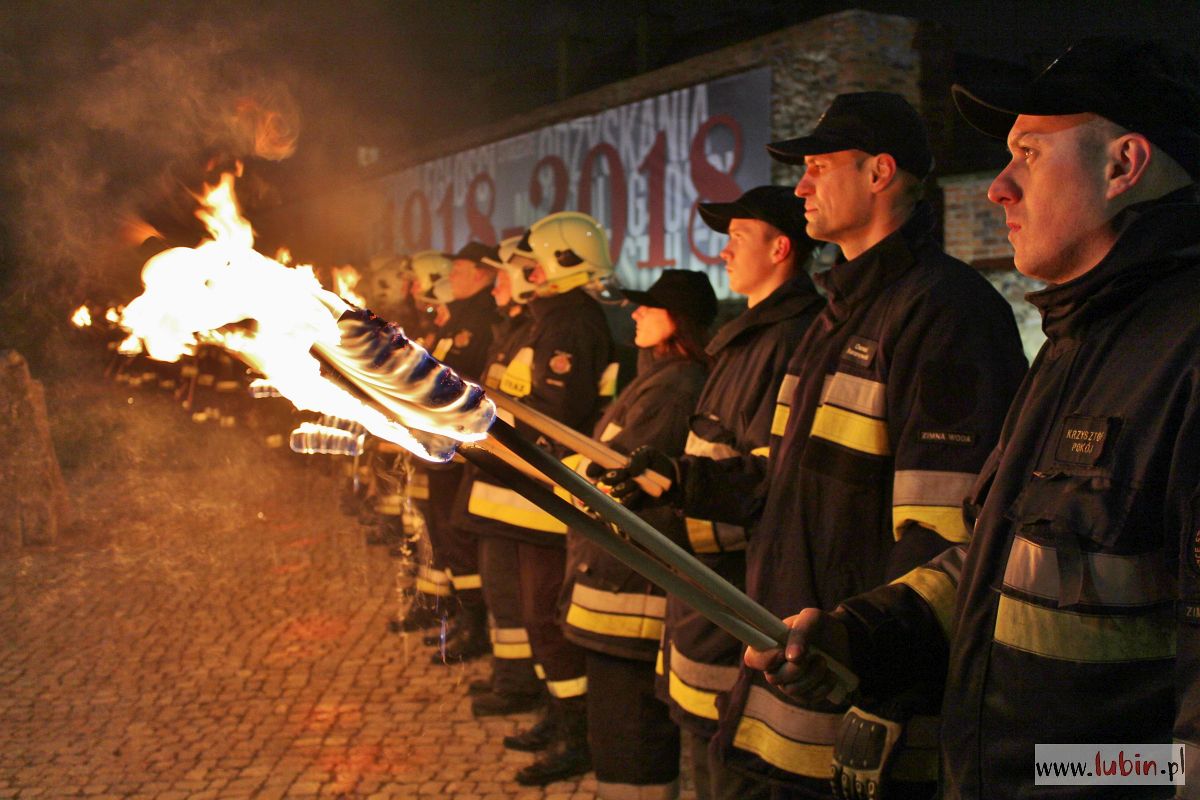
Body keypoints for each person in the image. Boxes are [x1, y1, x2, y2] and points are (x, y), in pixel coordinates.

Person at [746, 39, 1200, 800]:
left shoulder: (1181, 354)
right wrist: (863, 636)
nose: (997, 188)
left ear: (1123, 166)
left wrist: (1059, 776)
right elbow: (991, 566)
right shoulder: (1077, 343)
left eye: (1028, 154)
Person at [606, 93, 1027, 798]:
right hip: (796, 675)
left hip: (857, 696)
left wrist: (856, 649)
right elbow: (779, 481)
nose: (801, 185)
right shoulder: (837, 316)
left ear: (879, 173)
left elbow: (945, 539)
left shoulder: (946, 314)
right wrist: (679, 480)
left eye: (818, 166)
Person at [602, 185, 824, 800]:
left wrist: (673, 500)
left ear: (781, 248)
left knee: (728, 769)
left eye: (737, 239)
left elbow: (765, 487)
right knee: (703, 754)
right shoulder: (746, 340)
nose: (723, 254)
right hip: (704, 597)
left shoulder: (787, 341)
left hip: (732, 598)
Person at [457, 211, 618, 786]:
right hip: (518, 492)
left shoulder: (570, 324)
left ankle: (578, 734)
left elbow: (561, 417)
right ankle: (560, 715)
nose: (522, 274)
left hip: (542, 498)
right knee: (534, 615)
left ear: (562, 263)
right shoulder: (544, 321)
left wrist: (495, 437)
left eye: (530, 263)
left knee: (547, 618)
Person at [564, 269, 718, 799]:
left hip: (630, 594)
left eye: (648, 308)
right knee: (616, 733)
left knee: (631, 736)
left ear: (679, 320)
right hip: (613, 582)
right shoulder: (656, 376)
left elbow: (626, 481)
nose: (634, 314)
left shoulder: (675, 388)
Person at [421, 242, 499, 663]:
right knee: (447, 538)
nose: (452, 275)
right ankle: (463, 620)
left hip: (459, 449)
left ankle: (475, 629)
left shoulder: (481, 320)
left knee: (460, 540)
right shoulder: (461, 319)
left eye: (461, 268)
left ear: (484, 274)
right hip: (442, 444)